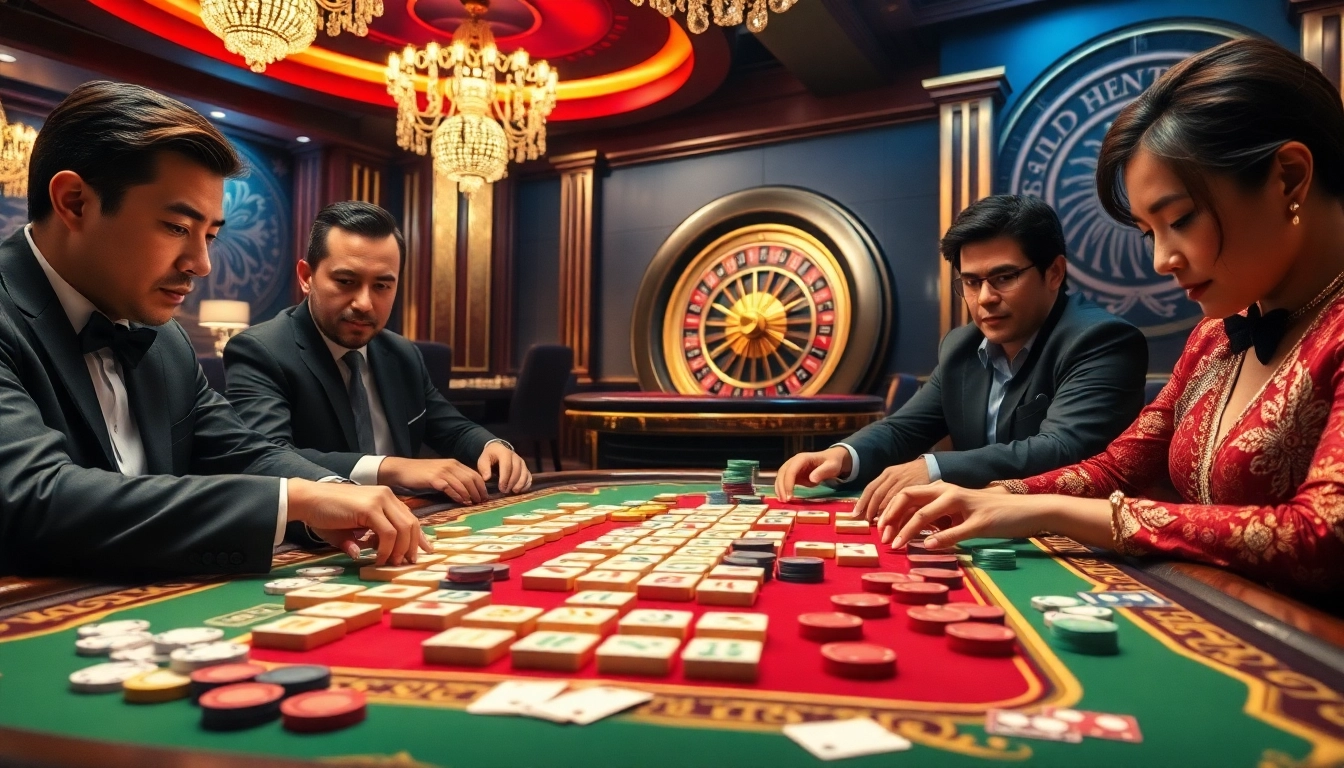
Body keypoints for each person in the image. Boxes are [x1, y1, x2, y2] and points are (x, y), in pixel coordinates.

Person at [877, 38, 1344, 594]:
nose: (1161, 260)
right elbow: (1118, 468)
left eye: (1182, 219)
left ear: (1288, 177)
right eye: (1149, 232)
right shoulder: (1213, 336)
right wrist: (1001, 496)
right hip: (1215, 613)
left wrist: (1064, 514)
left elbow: (1325, 534)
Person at [0, 81, 429, 577]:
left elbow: (240, 452)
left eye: (210, 235)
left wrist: (336, 497)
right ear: (75, 202)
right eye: (177, 228)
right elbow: (35, 499)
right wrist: (293, 500)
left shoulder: (164, 337)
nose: (201, 264)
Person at [775, 194, 1148, 517]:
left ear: (1054, 273)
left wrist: (934, 468)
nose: (984, 297)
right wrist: (843, 456)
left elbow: (1063, 449)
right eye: (971, 282)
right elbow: (904, 428)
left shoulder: (1102, 340)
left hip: (1078, 542)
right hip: (983, 529)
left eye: (1004, 277)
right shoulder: (961, 347)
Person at [224, 201, 531, 503]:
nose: (364, 303)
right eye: (346, 281)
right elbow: (266, 457)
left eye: (382, 286)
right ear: (306, 277)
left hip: (406, 519)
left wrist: (490, 446)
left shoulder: (401, 353)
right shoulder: (261, 350)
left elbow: (451, 427)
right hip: (319, 534)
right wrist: (392, 468)